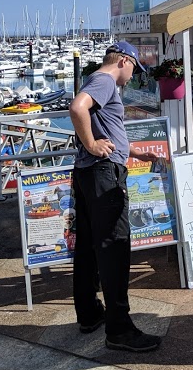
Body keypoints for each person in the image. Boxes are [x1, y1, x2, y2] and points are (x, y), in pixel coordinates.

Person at [68, 41, 162, 352]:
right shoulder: (106, 80)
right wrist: (93, 145)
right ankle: (119, 330)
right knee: (114, 246)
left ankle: (90, 312)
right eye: (134, 68)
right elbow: (77, 108)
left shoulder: (98, 80)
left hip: (87, 172)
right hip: (102, 173)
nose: (133, 76)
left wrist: (136, 151)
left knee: (88, 246)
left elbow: (105, 127)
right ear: (123, 60)